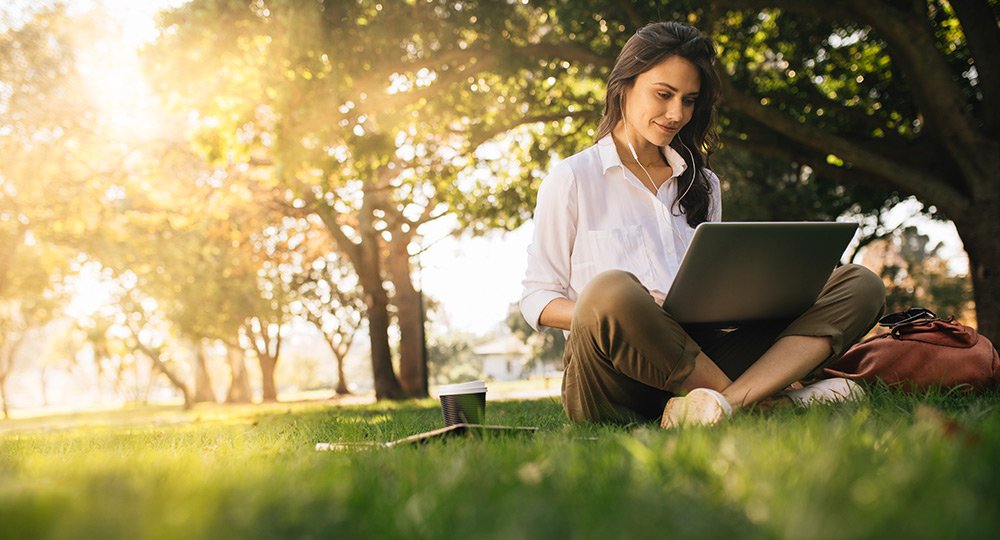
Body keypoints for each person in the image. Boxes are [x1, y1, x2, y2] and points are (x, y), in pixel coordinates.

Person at [519, 21, 886, 427]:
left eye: (689, 100)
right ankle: (761, 402)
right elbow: (537, 299)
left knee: (859, 283)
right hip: (610, 380)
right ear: (624, 85)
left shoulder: (703, 184)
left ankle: (721, 406)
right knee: (612, 290)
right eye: (663, 95)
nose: (676, 114)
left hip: (700, 355)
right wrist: (628, 310)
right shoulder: (573, 178)